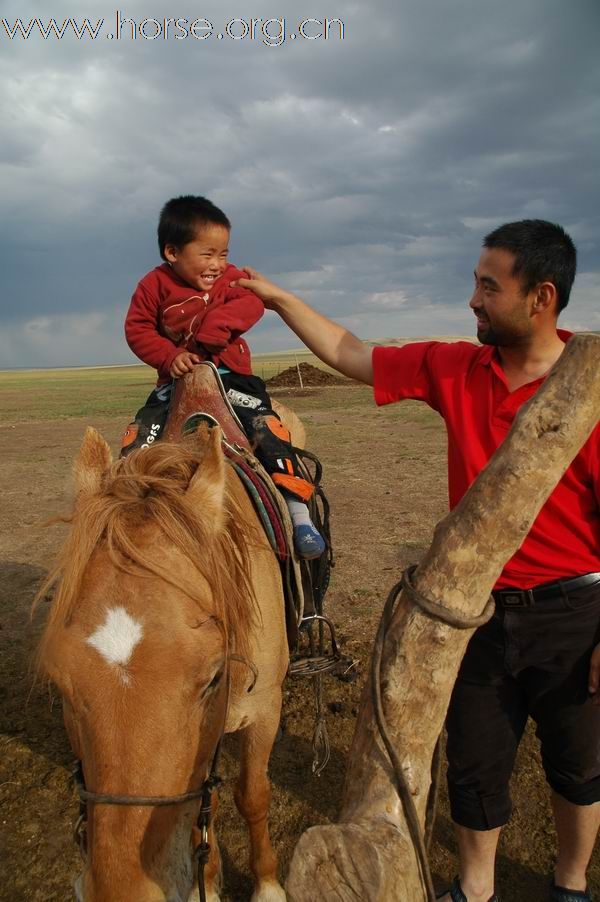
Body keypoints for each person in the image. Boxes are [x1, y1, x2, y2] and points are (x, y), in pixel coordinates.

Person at [233, 219, 600, 902]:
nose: (472, 300)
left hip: (576, 611)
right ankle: (475, 886)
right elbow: (351, 353)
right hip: (470, 613)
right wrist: (279, 299)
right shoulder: (459, 367)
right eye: (474, 282)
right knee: (474, 762)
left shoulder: (594, 388)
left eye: (489, 286)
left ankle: (571, 885)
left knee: (578, 767)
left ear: (541, 297)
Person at [122, 194, 326, 560]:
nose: (218, 265)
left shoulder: (232, 279)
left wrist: (217, 328)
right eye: (208, 254)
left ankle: (299, 514)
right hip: (177, 381)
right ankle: (124, 516)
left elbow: (251, 301)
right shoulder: (152, 286)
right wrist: (170, 357)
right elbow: (137, 329)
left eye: (224, 254)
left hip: (232, 377)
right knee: (138, 440)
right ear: (172, 252)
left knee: (268, 430)